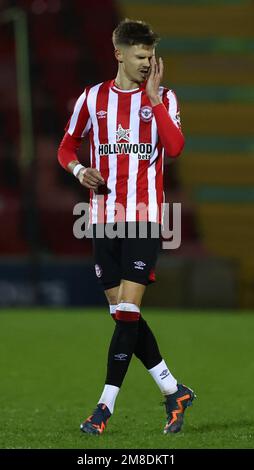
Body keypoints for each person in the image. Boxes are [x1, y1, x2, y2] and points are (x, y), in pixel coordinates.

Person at [58, 18, 196, 435]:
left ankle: (103, 408)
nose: (146, 64)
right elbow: (66, 147)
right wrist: (80, 169)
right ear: (119, 53)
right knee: (123, 317)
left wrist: (153, 100)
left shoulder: (165, 99)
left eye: (150, 57)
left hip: (144, 219)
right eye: (139, 57)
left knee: (128, 311)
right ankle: (174, 390)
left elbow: (175, 148)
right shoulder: (92, 98)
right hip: (100, 220)